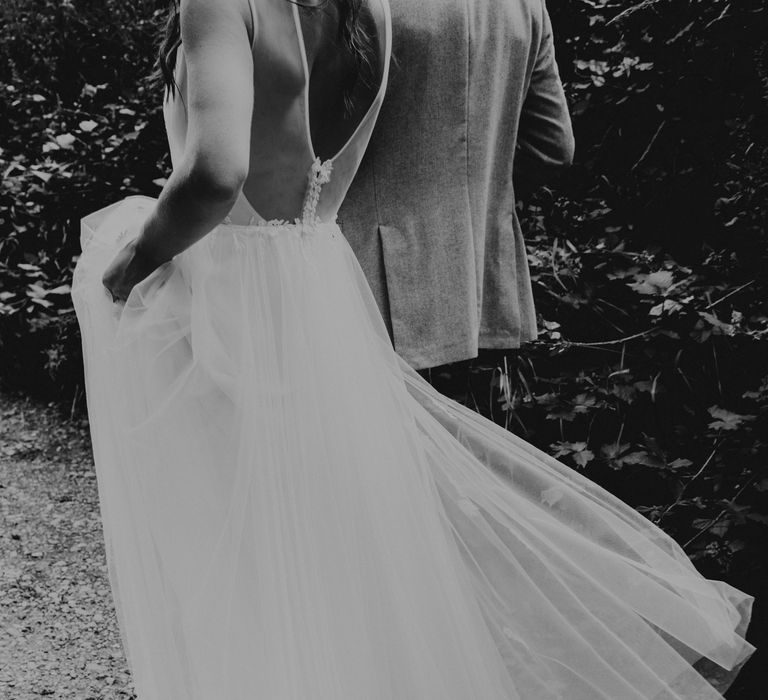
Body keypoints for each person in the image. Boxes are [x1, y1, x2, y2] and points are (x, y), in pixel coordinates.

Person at [71, 0, 754, 698]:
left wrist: (126, 268)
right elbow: (537, 150)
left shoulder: (225, 7)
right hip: (336, 289)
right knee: (371, 541)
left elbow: (217, 174)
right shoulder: (374, 11)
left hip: (247, 298)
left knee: (250, 547)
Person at [339, 0, 575, 370]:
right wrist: (479, 201)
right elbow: (554, 147)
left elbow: (316, 136)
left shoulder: (363, 6)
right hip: (481, 288)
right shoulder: (525, 6)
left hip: (365, 287)